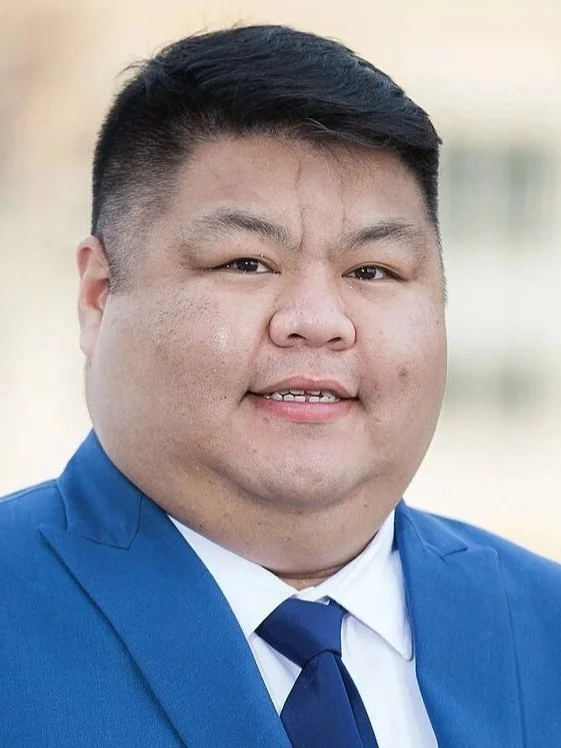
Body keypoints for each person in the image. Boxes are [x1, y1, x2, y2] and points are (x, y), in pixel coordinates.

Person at [1, 24, 559, 748]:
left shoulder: (543, 627)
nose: (318, 323)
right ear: (100, 296)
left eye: (373, 271)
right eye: (247, 263)